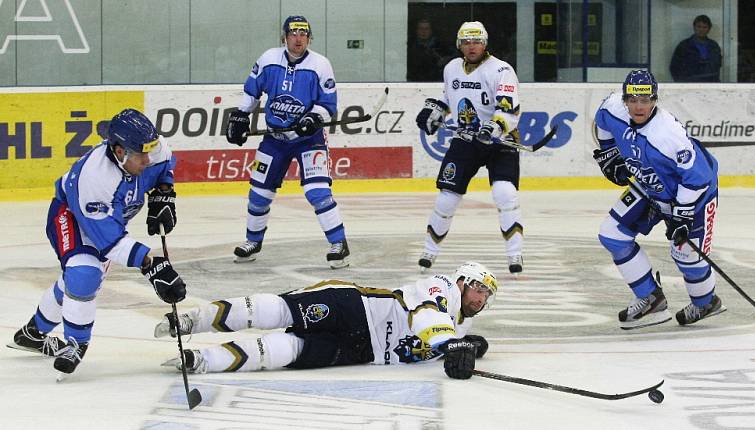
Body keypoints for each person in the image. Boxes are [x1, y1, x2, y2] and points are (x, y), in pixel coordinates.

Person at [7, 109, 187, 374]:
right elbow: (111, 242)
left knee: (74, 280)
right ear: (118, 151)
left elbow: (164, 167)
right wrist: (153, 266)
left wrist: (164, 194)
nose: (148, 159)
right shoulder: (94, 178)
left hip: (107, 222)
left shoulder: (150, 149)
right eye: (141, 155)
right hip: (70, 216)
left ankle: (33, 333)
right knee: (83, 274)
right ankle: (75, 344)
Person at [155, 262, 497, 380]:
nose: (481, 298)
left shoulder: (459, 325)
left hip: (362, 351)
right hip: (355, 306)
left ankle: (200, 361)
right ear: (463, 280)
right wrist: (452, 344)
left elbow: (436, 342)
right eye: (479, 288)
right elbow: (426, 316)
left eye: (487, 295)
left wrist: (468, 345)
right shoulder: (443, 288)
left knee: (285, 351)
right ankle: (192, 321)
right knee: (279, 310)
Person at [592, 69, 725, 330]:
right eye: (633, 100)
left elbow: (700, 177)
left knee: (686, 256)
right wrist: (611, 155)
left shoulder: (667, 135)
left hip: (692, 196)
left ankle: (706, 302)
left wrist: (682, 214)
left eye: (645, 100)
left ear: (655, 100)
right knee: (612, 234)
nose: (638, 107)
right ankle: (650, 297)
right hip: (649, 185)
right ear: (624, 98)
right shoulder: (612, 108)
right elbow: (602, 123)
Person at [225, 15, 349, 269]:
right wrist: (240, 116)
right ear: (285, 37)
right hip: (275, 138)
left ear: (309, 38)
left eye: (304, 33)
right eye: (294, 33)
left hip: (308, 139)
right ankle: (253, 242)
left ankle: (339, 244)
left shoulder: (320, 65)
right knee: (259, 193)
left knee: (318, 193)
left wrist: (314, 117)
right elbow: (252, 91)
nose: (299, 38)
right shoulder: (269, 59)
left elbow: (328, 105)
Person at [415, 21, 524, 275]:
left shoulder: (501, 70)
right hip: (466, 138)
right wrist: (435, 112)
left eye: (476, 41)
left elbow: (509, 108)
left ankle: (515, 254)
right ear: (459, 44)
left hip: (500, 141)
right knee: (446, 198)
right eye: (466, 41)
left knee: (504, 193)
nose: (471, 46)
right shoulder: (452, 68)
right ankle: (428, 252)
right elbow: (447, 97)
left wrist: (493, 128)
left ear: (485, 43)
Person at [669, 15, 722, 82]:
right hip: (690, 85)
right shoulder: (684, 46)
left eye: (704, 27)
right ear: (694, 27)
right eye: (699, 26)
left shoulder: (714, 46)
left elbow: (717, 67)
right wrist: (682, 84)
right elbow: (674, 67)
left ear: (709, 29)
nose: (701, 30)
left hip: (710, 85)